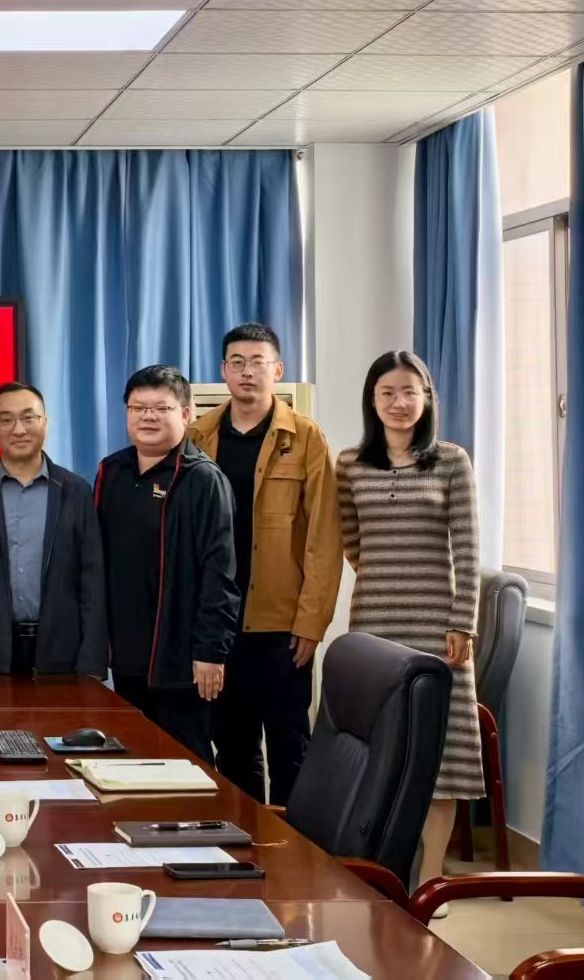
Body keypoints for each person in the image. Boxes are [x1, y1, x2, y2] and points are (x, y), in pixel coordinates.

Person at [337, 350, 481, 894]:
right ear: (372, 401)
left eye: (409, 392)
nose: (399, 403)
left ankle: (431, 876)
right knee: (379, 745)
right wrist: (387, 575)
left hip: (439, 625)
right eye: (387, 393)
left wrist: (463, 621)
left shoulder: (451, 461)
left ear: (427, 398)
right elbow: (351, 539)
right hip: (374, 621)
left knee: (444, 752)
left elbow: (468, 548)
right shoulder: (351, 463)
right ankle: (380, 866)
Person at [188, 323, 342, 805]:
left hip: (283, 626)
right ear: (223, 371)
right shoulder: (199, 435)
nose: (247, 372)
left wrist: (312, 622)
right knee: (233, 748)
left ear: (277, 370)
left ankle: (296, 848)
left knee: (291, 747)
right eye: (237, 362)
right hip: (220, 624)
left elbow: (324, 538)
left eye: (258, 362)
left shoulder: (305, 437)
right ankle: (247, 843)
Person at [94, 365, 239, 761]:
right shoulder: (111, 471)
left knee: (186, 763)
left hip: (182, 658)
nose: (148, 417)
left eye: (161, 408)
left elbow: (220, 575)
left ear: (186, 414)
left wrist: (211, 651)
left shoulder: (203, 479)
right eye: (138, 407)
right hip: (125, 655)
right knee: (131, 760)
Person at [0, 382, 106, 677]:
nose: (19, 430)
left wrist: (92, 665)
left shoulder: (76, 490)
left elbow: (92, 581)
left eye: (29, 418)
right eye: (6, 420)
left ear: (45, 422)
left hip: (61, 654)